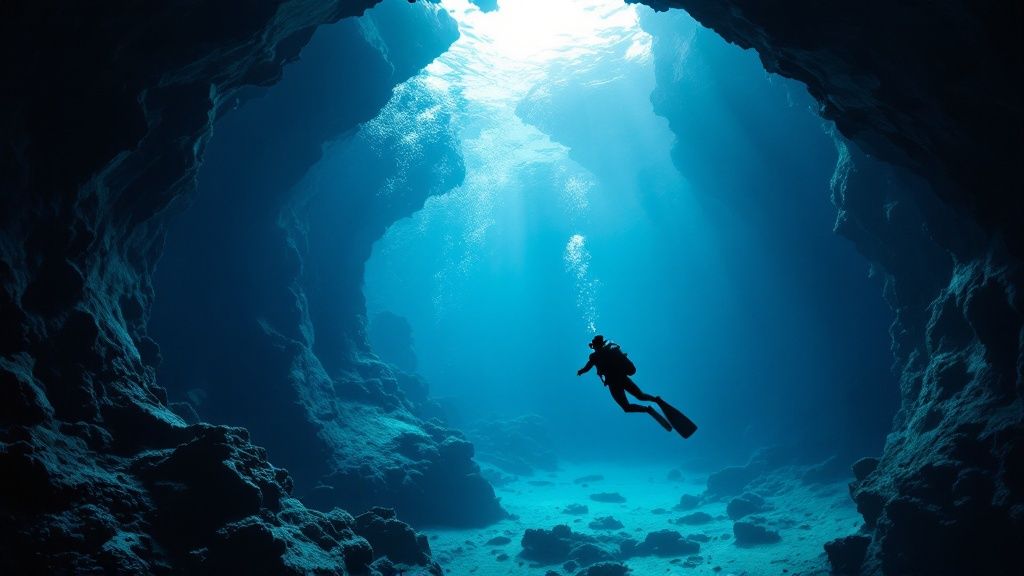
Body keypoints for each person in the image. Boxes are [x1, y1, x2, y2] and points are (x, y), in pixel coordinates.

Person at [577, 335, 672, 431]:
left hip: (617, 380)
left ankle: (652, 405)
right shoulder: (603, 352)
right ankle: (652, 405)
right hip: (617, 380)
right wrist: (582, 371)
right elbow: (588, 367)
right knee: (634, 401)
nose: (593, 346)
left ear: (596, 345)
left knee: (634, 402)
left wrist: (581, 371)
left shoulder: (601, 353)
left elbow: (588, 367)